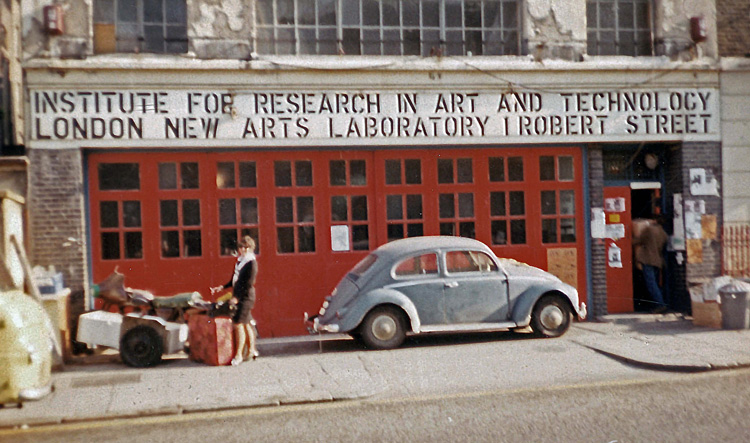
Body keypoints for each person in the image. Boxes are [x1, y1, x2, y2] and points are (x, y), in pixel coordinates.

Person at [211, 236, 259, 365]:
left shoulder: (251, 263)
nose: (242, 249)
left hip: (246, 297)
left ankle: (238, 356)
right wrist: (222, 287)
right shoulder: (240, 261)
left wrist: (236, 298)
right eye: (241, 247)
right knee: (246, 323)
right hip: (240, 296)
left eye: (245, 247)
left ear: (250, 248)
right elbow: (234, 279)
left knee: (238, 324)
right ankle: (252, 351)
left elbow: (248, 283)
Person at [633, 217, 669, 313]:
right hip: (658, 261)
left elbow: (638, 240)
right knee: (655, 283)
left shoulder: (648, 230)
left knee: (651, 284)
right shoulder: (663, 232)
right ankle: (660, 303)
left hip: (648, 260)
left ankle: (660, 304)